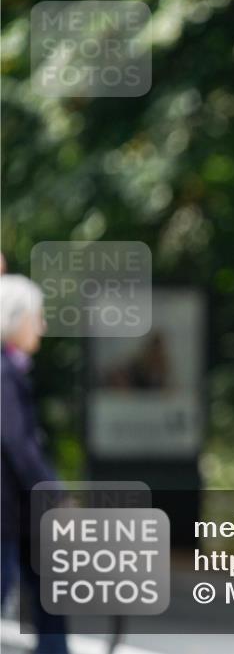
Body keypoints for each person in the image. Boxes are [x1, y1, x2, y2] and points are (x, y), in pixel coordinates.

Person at [1, 274, 71, 654]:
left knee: (49, 586)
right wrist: (54, 492)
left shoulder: (13, 370)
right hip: (9, 512)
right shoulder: (3, 373)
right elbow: (17, 442)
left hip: (21, 512)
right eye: (37, 317)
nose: (42, 326)